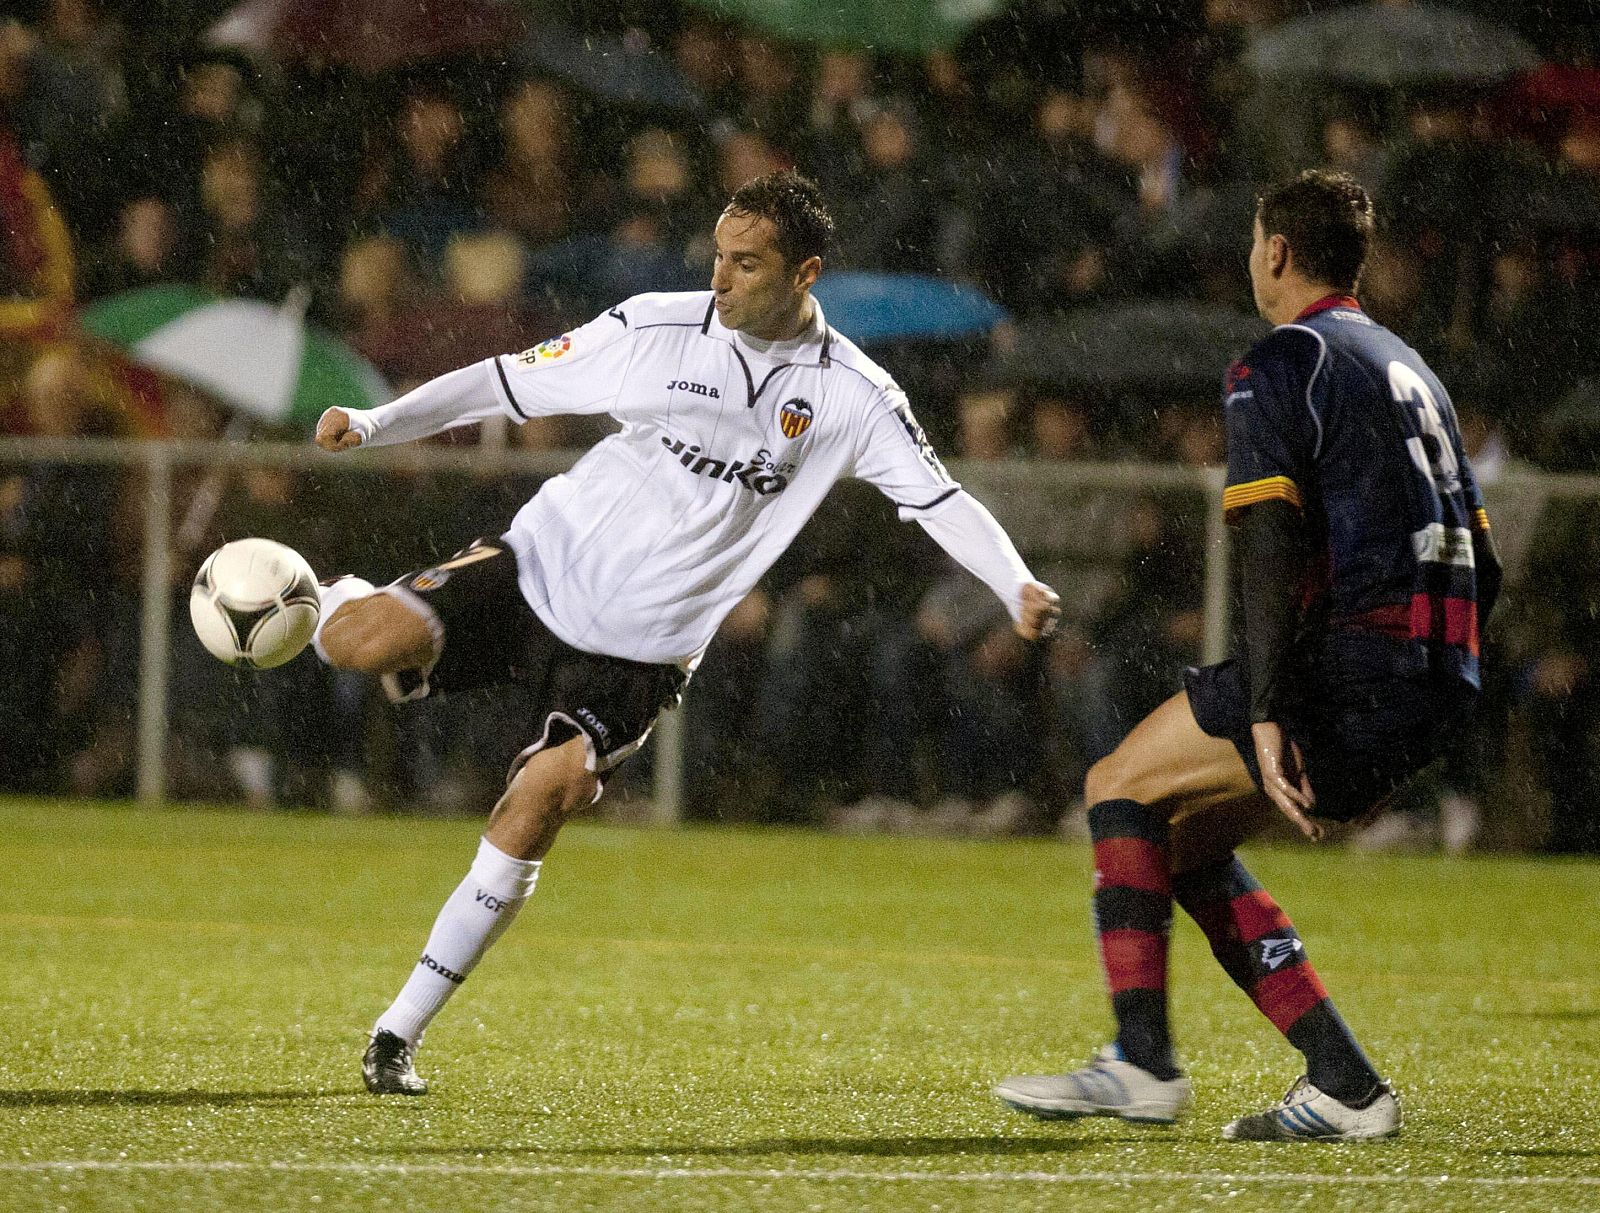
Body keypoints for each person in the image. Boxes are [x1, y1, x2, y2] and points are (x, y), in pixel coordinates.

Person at [308, 171, 1061, 1095]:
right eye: (718, 255)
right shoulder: (652, 328)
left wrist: (1015, 580)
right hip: (543, 561)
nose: (723, 279)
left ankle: (396, 1033)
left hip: (642, 648)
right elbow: (508, 384)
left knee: (545, 795)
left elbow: (938, 499)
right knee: (361, 643)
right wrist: (379, 421)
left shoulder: (854, 395)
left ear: (805, 273)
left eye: (748, 264)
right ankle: (324, 597)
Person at [993, 170, 1501, 1141]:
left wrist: (1268, 706)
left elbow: (1265, 546)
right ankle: (1344, 1086)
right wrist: (1423, 711)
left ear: (1273, 252)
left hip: (1345, 664)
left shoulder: (1280, 363)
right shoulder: (1410, 369)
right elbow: (1486, 562)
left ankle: (1142, 1062)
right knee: (1175, 844)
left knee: (1116, 786)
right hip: (1430, 672)